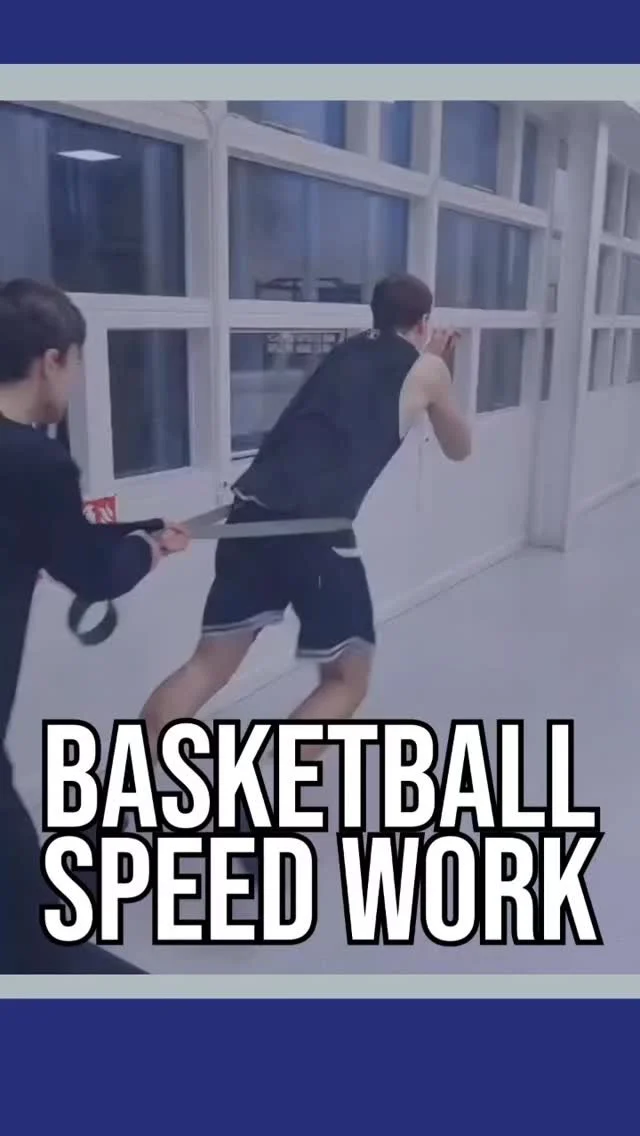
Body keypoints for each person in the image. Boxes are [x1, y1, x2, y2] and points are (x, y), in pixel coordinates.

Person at [142, 273, 472, 808]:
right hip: (314, 536)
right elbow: (459, 447)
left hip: (250, 517)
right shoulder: (426, 366)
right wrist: (441, 369)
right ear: (424, 323)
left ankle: (125, 792)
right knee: (347, 681)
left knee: (205, 667)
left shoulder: (345, 353)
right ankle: (263, 806)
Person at [0, 278, 189, 973]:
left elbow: (55, 535)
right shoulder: (37, 461)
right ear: (51, 360)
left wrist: (141, 526)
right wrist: (149, 550)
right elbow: (92, 573)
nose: (75, 380)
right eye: (76, 362)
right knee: (40, 945)